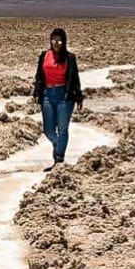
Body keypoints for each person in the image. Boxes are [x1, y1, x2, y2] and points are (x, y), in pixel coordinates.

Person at [32, 27, 84, 172]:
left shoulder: (69, 58)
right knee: (48, 130)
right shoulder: (44, 56)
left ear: (64, 42)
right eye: (54, 40)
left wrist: (78, 96)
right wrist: (37, 92)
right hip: (48, 94)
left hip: (64, 96)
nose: (56, 43)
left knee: (62, 129)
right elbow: (39, 76)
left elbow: (74, 78)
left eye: (59, 41)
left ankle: (59, 160)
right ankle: (58, 144)